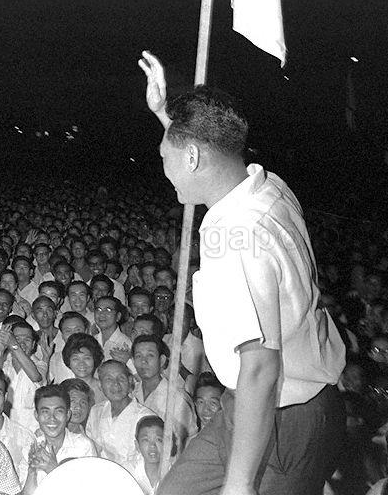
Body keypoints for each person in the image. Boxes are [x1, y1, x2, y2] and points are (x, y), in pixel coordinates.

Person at [139, 50, 346, 495]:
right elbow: (202, 154)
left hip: (286, 417)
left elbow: (259, 368)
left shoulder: (236, 242)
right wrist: (164, 113)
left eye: (166, 157)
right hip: (247, 405)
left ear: (190, 157)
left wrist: (238, 486)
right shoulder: (265, 185)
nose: (165, 170)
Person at [22, 384, 97, 494]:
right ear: (36, 415)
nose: (52, 418)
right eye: (45, 411)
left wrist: (53, 469)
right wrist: (32, 471)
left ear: (68, 415)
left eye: (58, 411)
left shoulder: (83, 446)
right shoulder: (30, 447)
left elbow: (91, 490)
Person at [85, 360, 154, 471]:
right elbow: (92, 450)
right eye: (108, 379)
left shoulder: (146, 418)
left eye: (121, 378)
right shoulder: (96, 411)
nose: (116, 384)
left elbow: (148, 463)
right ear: (100, 385)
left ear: (130, 381)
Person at [130, 416, 171, 495]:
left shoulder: (175, 472)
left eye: (158, 439)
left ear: (167, 444)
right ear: (137, 446)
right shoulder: (128, 471)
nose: (152, 446)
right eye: (146, 440)